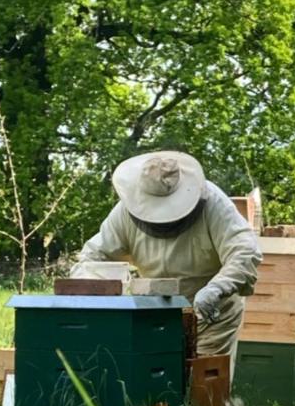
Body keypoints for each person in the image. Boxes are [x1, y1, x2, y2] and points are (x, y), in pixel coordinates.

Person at [73, 151, 261, 372]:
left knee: (204, 382)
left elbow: (245, 251)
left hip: (212, 314)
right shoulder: (125, 211)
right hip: (155, 313)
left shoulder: (213, 202)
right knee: (158, 377)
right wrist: (94, 295)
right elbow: (91, 258)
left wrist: (217, 289)